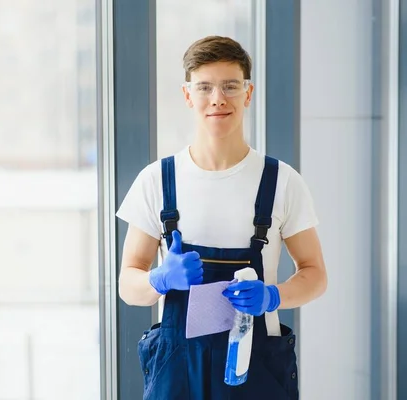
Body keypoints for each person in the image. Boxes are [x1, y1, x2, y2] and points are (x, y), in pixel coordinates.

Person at [116, 36, 327, 400]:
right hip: (177, 372)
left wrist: (273, 296)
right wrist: (160, 279)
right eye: (205, 87)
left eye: (231, 86)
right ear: (187, 95)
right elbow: (127, 285)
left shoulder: (281, 182)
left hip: (257, 371)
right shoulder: (156, 181)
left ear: (248, 93)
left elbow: (315, 274)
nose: (218, 98)